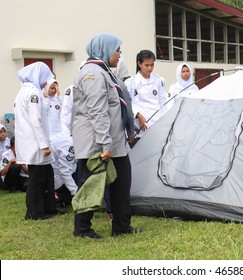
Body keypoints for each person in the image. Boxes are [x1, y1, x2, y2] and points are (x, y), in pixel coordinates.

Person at [72, 32, 139, 239]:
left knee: (122, 183)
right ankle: (82, 229)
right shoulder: (92, 73)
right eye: (117, 50)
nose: (119, 55)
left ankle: (121, 226)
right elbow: (97, 110)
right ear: (105, 49)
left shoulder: (106, 71)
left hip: (114, 141)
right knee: (91, 185)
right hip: (97, 143)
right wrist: (105, 144)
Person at [14, 62, 57, 220]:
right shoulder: (34, 93)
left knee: (47, 175)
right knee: (36, 180)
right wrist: (44, 145)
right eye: (46, 79)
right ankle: (34, 213)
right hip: (36, 144)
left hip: (31, 142)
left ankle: (48, 207)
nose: (46, 82)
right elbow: (35, 120)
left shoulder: (24, 92)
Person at [125, 50, 167, 147]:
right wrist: (138, 115)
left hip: (157, 125)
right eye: (146, 65)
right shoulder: (131, 82)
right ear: (139, 64)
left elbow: (163, 102)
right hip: (140, 126)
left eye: (152, 65)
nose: (149, 68)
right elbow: (129, 104)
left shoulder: (159, 80)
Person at [50, 131, 78, 207]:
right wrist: (76, 193)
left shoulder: (69, 138)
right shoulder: (69, 144)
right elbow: (65, 172)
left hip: (60, 177)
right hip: (59, 181)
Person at [0, 124, 11, 189]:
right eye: (0, 132)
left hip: (7, 163)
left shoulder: (8, 141)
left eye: (4, 132)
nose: (3, 134)